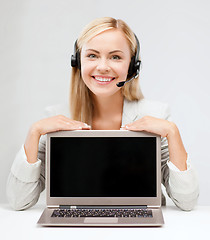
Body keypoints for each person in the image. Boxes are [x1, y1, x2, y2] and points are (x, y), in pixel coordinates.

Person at [7, 17, 199, 211]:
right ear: (77, 62)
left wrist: (172, 132)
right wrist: (34, 132)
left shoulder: (156, 115)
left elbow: (187, 201)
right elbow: (19, 200)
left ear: (133, 66)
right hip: (73, 228)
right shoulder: (57, 117)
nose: (103, 66)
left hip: (139, 226)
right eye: (92, 55)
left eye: (115, 57)